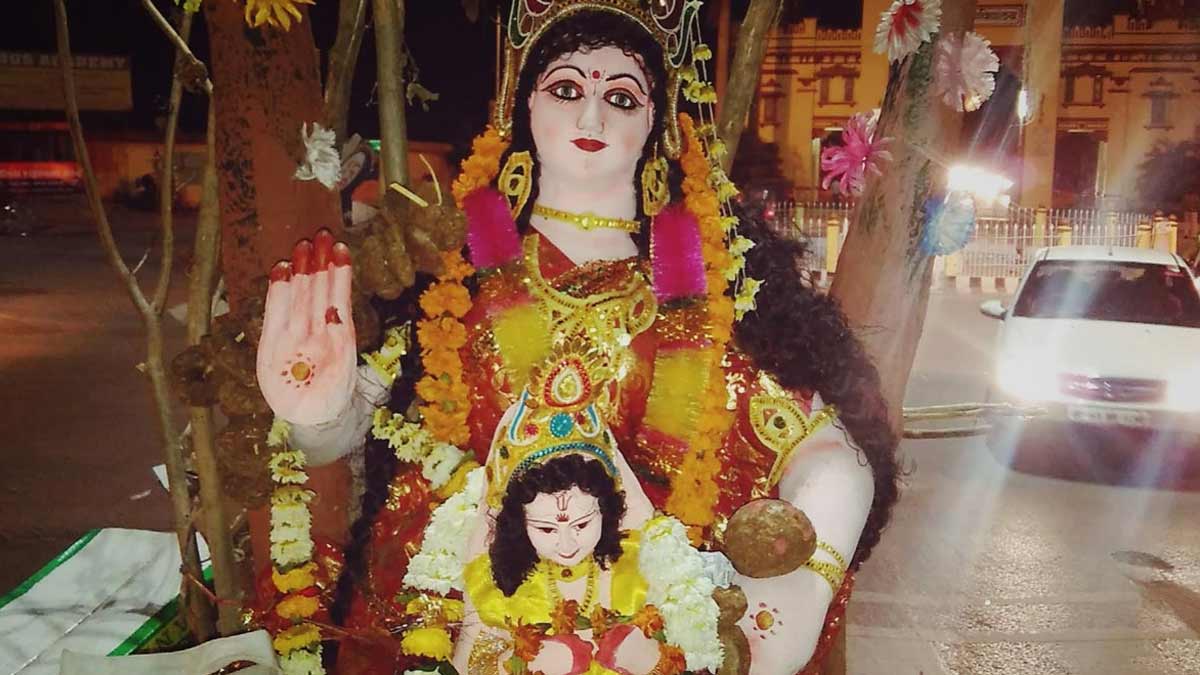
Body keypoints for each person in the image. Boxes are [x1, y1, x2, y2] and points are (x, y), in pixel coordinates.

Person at [257, 3, 900, 672]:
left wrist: (794, 597)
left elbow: (829, 449)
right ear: (521, 106)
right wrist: (317, 415)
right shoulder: (454, 280)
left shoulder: (698, 301)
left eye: (620, 97)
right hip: (468, 611)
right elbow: (363, 428)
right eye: (567, 89)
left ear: (657, 123)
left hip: (644, 627)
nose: (592, 117)